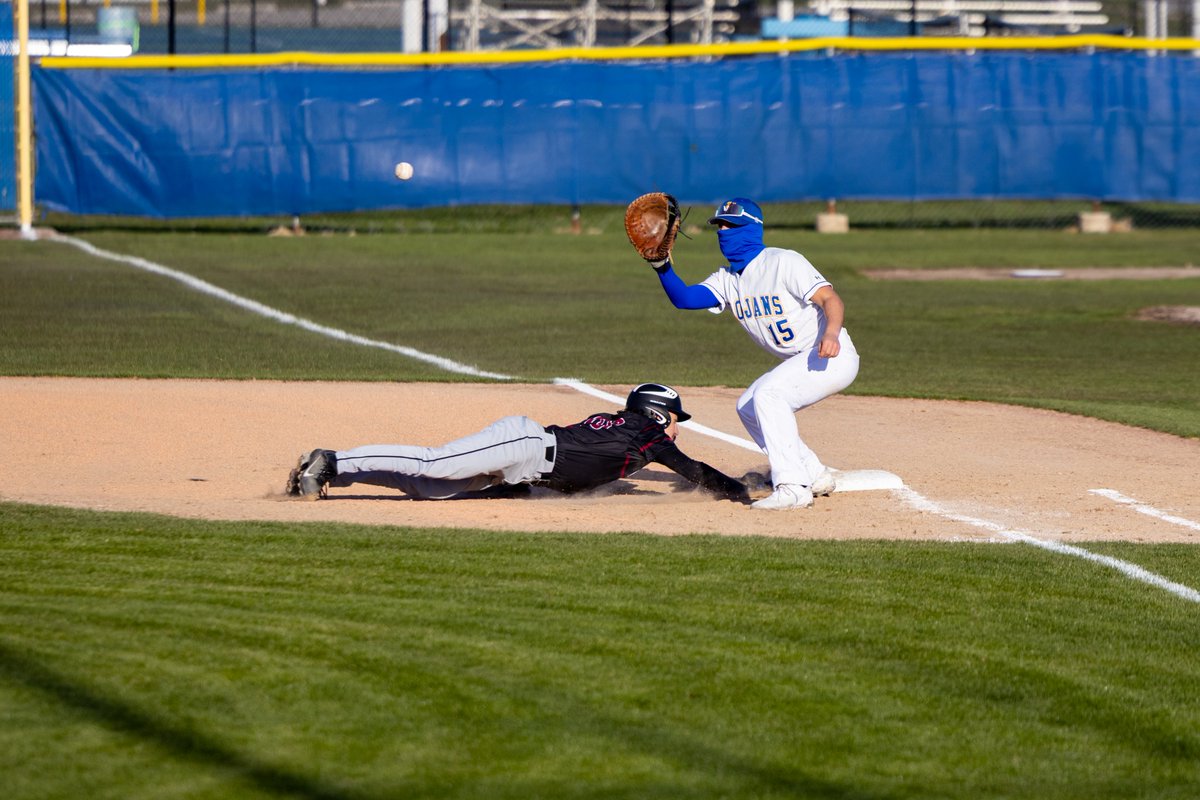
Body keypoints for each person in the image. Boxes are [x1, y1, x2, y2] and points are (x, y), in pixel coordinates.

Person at [647, 197, 859, 511]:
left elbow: (831, 300)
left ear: (751, 228)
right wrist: (661, 266)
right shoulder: (728, 278)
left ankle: (793, 487)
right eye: (719, 226)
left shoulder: (782, 261)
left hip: (831, 355)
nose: (723, 231)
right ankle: (813, 474)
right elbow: (686, 299)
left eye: (730, 225)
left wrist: (830, 333)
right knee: (748, 406)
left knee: (769, 396)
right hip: (803, 360)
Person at [286, 383, 750, 504]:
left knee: (429, 488)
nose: (675, 427)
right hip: (525, 444)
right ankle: (330, 460)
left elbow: (584, 472)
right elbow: (693, 472)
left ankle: (336, 476)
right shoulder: (646, 434)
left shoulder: (631, 437)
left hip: (526, 464)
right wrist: (741, 491)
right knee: (437, 463)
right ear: (655, 413)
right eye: (674, 417)